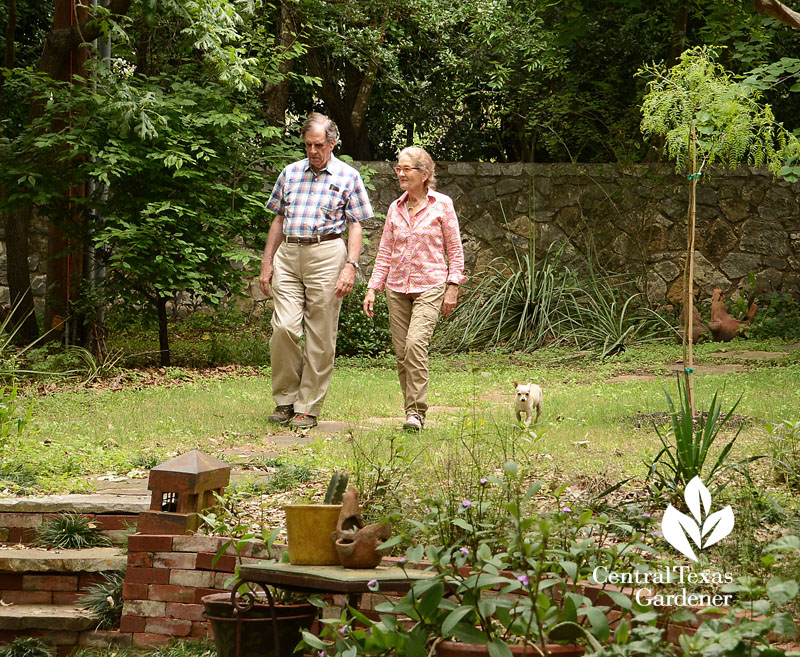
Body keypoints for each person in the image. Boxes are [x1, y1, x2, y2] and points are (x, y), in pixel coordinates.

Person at [260, 113, 373, 429]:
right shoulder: (290, 173)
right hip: (289, 253)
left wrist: (350, 267)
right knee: (284, 328)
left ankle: (307, 406)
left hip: (327, 253)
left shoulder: (348, 176)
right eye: (308, 144)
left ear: (332, 143)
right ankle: (285, 400)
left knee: (321, 334)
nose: (312, 150)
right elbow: (279, 219)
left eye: (319, 144)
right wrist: (266, 263)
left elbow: (356, 225)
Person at [363, 147, 465, 431]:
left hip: (430, 285)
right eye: (399, 168)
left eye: (407, 169)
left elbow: (455, 250)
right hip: (396, 288)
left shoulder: (442, 205)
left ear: (424, 174)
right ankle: (410, 411)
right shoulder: (395, 208)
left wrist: (452, 286)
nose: (401, 174)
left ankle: (417, 413)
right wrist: (373, 288)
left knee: (415, 344)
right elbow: (384, 253)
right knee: (401, 352)